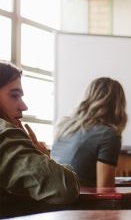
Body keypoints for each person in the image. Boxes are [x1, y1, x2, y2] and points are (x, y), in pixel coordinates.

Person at [0, 61, 79, 204]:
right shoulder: (5, 134)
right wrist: (45, 158)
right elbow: (64, 188)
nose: (24, 106)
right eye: (14, 95)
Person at [52, 77, 127, 188]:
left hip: (51, 199)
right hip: (80, 202)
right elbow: (105, 190)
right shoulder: (109, 135)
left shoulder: (63, 126)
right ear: (118, 104)